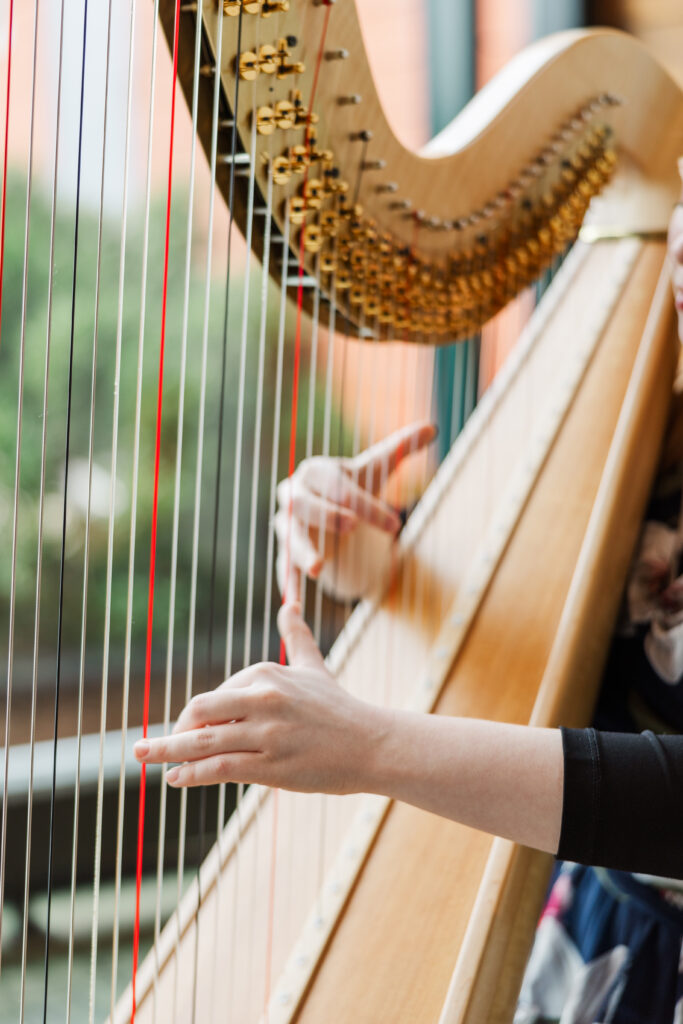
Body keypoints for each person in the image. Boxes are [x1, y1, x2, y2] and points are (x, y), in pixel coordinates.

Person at [134, 178, 683, 1017]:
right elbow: (503, 591)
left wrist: (374, 747)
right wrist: (344, 534)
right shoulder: (648, 431)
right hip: (595, 944)